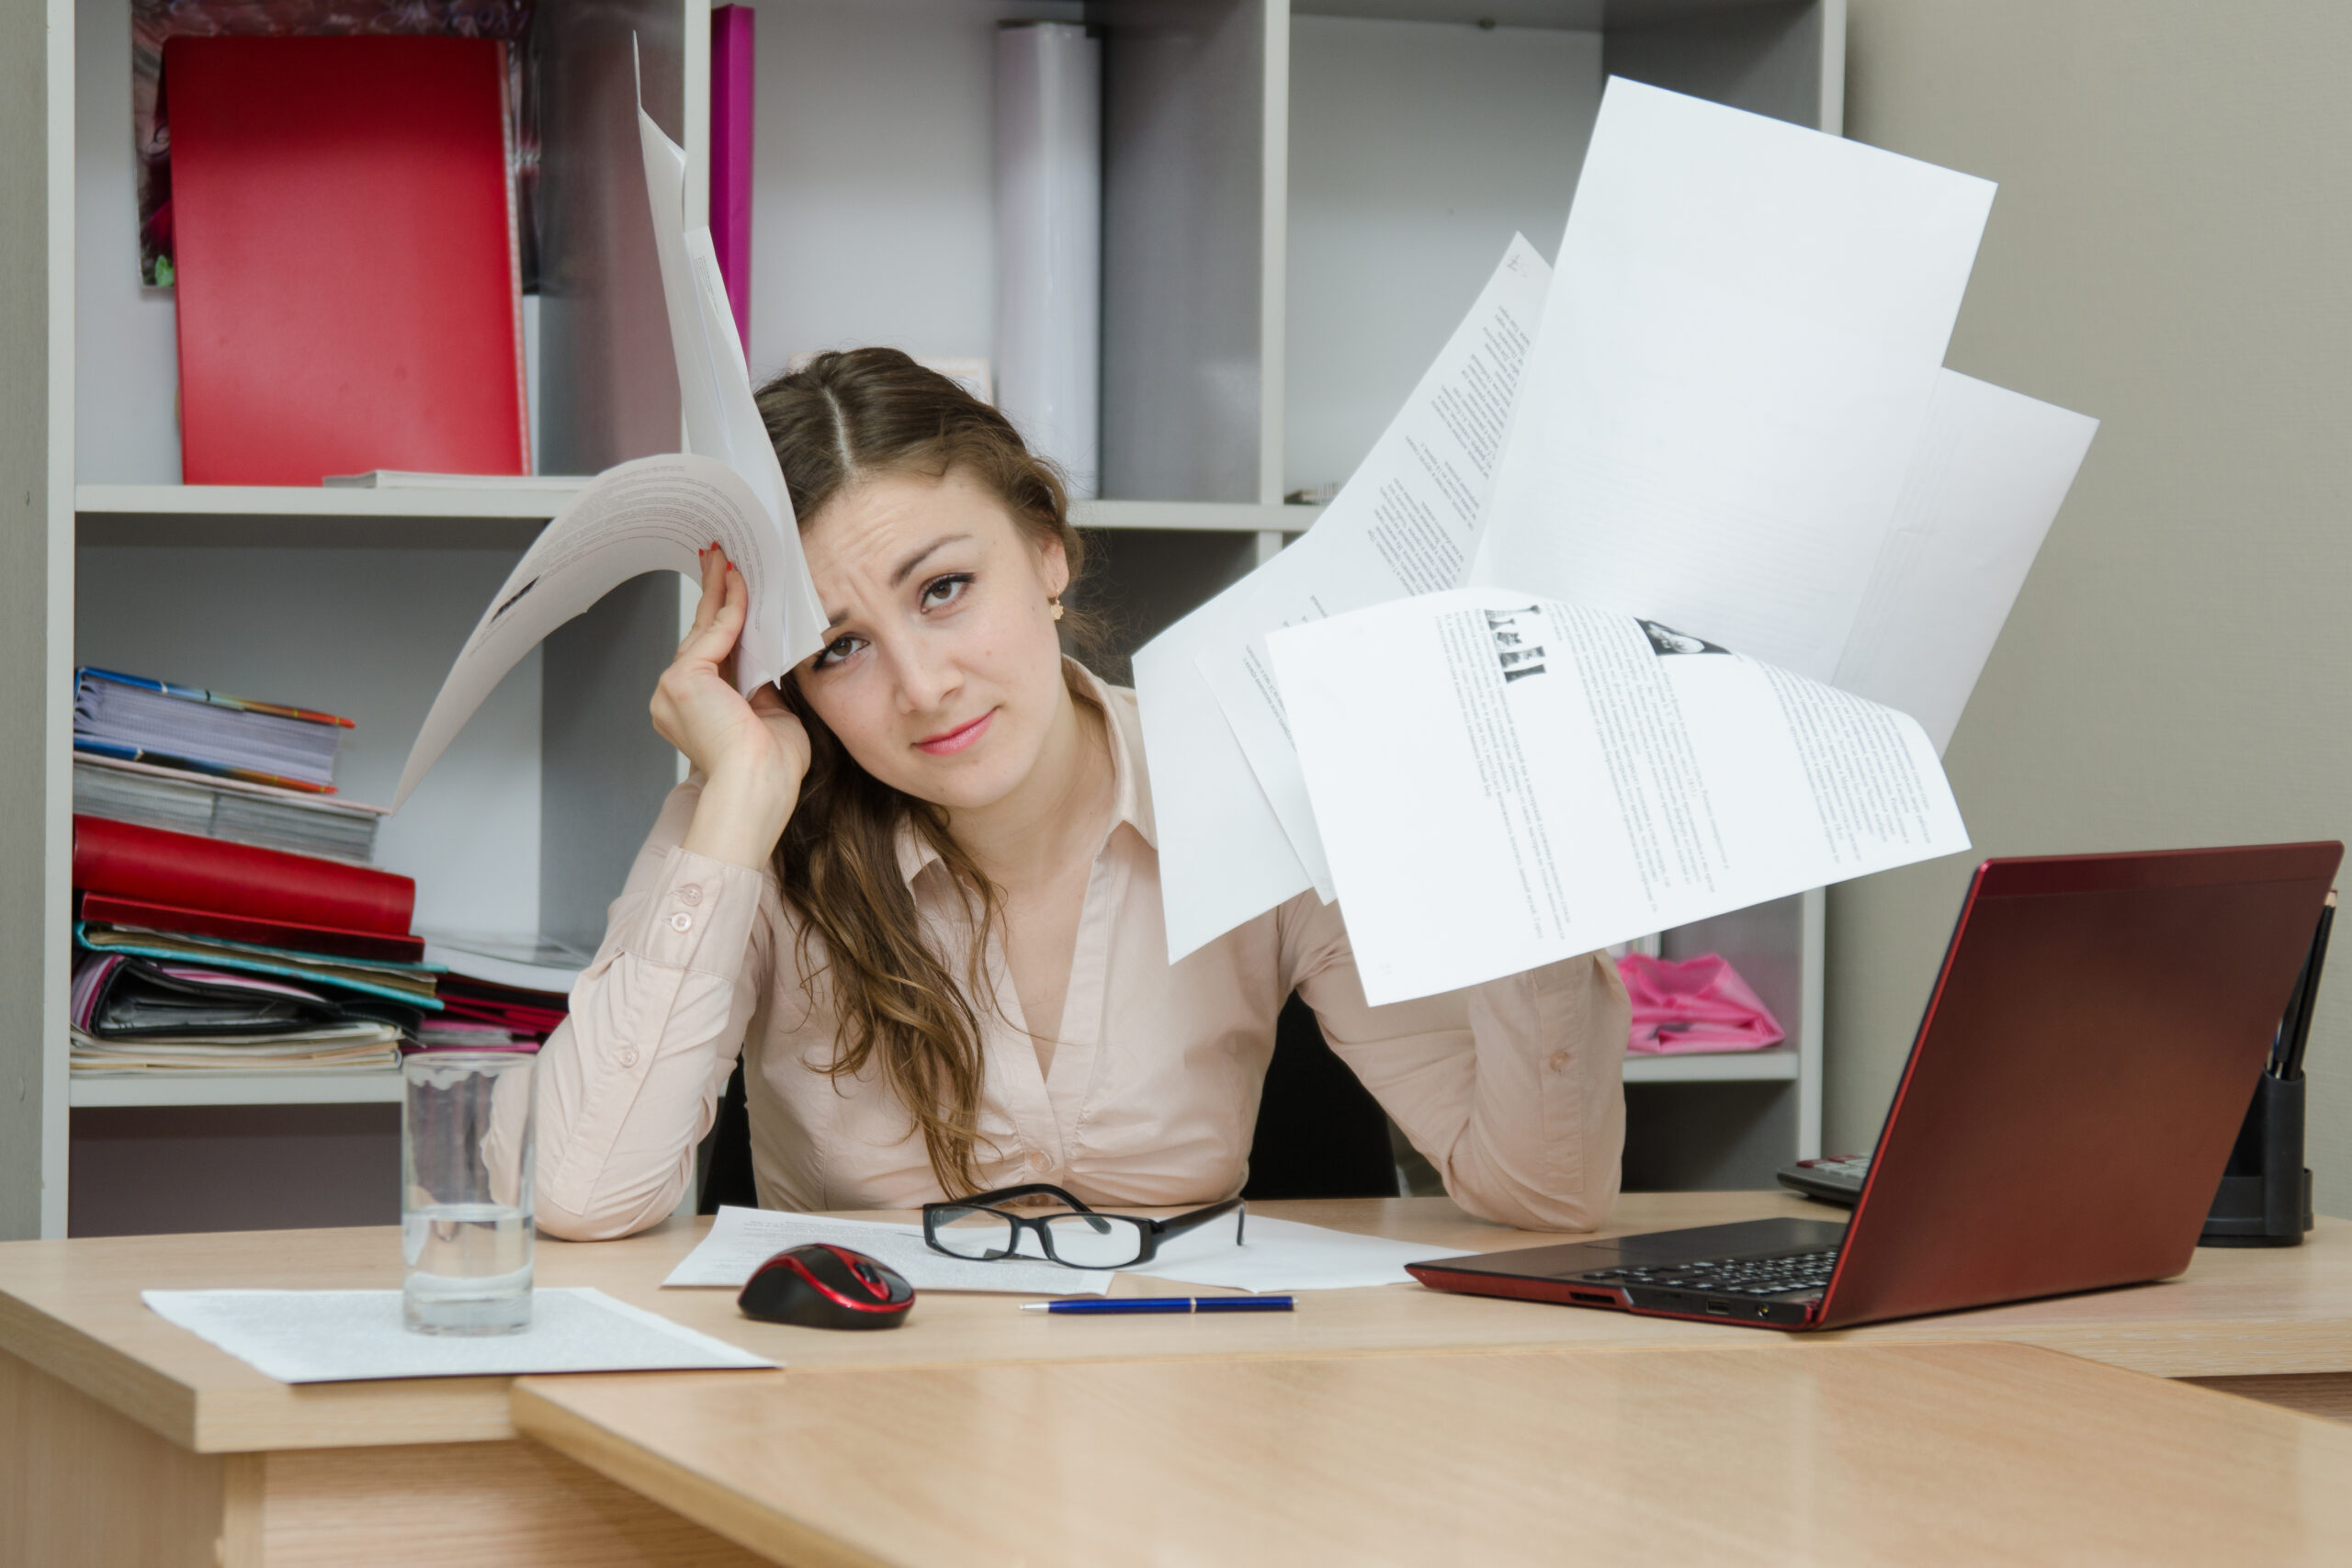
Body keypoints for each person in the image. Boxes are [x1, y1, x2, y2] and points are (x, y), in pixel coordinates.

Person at [530, 348, 1627, 1241]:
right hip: (868, 1438)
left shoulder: (1250, 784)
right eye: (841, 649)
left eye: (945, 590)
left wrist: (1528, 864)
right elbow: (580, 1198)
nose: (922, 686)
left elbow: (1542, 1195)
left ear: (1048, 554)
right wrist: (729, 822)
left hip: (1196, 1452)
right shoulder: (760, 823)